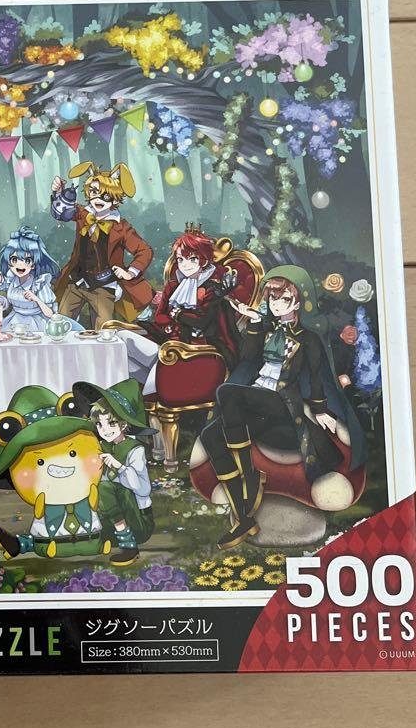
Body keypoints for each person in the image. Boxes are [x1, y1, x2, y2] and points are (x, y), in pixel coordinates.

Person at [200, 265, 367, 550]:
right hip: (254, 404)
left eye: (284, 299)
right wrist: (255, 323)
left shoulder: (308, 338)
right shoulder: (265, 330)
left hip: (282, 406)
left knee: (227, 392)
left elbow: (317, 376)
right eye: (272, 298)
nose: (276, 304)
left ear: (298, 302)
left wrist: (320, 409)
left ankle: (249, 476)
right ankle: (243, 517)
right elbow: (247, 360)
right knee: (210, 436)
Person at [0, 385, 108, 560]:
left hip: (91, 531)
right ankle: (24, 545)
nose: (60, 465)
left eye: (72, 453)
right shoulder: (43, 499)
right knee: (44, 530)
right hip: (49, 536)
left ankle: (95, 543)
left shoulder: (92, 486)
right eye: (40, 462)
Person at [118, 225, 241, 397]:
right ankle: (144, 394)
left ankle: (149, 396)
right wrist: (175, 322)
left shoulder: (212, 289)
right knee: (121, 339)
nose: (185, 265)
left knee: (141, 350)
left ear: (204, 260)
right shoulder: (174, 285)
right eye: (180, 260)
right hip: (168, 342)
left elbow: (202, 322)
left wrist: (178, 315)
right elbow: (160, 316)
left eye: (192, 259)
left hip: (195, 350)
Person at [50, 161, 155, 328]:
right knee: (61, 325)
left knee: (104, 331)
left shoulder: (121, 227)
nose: (98, 199)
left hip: (104, 286)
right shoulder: (84, 213)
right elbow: (61, 213)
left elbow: (145, 250)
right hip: (76, 282)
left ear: (115, 198)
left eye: (106, 196)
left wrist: (130, 272)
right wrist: (58, 193)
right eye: (94, 192)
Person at [73, 379, 155, 566]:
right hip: (108, 518)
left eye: (111, 423)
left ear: (124, 424)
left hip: (138, 520)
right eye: (100, 425)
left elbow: (143, 489)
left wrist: (120, 467)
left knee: (105, 487)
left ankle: (129, 546)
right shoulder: (101, 446)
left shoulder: (135, 450)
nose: (105, 430)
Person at [0, 226, 81, 334]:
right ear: (9, 262)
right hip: (14, 322)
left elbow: (51, 314)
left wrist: (36, 299)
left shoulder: (39, 283)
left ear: (33, 264)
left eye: (27, 260)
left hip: (36, 324)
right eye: (14, 259)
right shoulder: (12, 279)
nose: (20, 265)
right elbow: (0, 281)